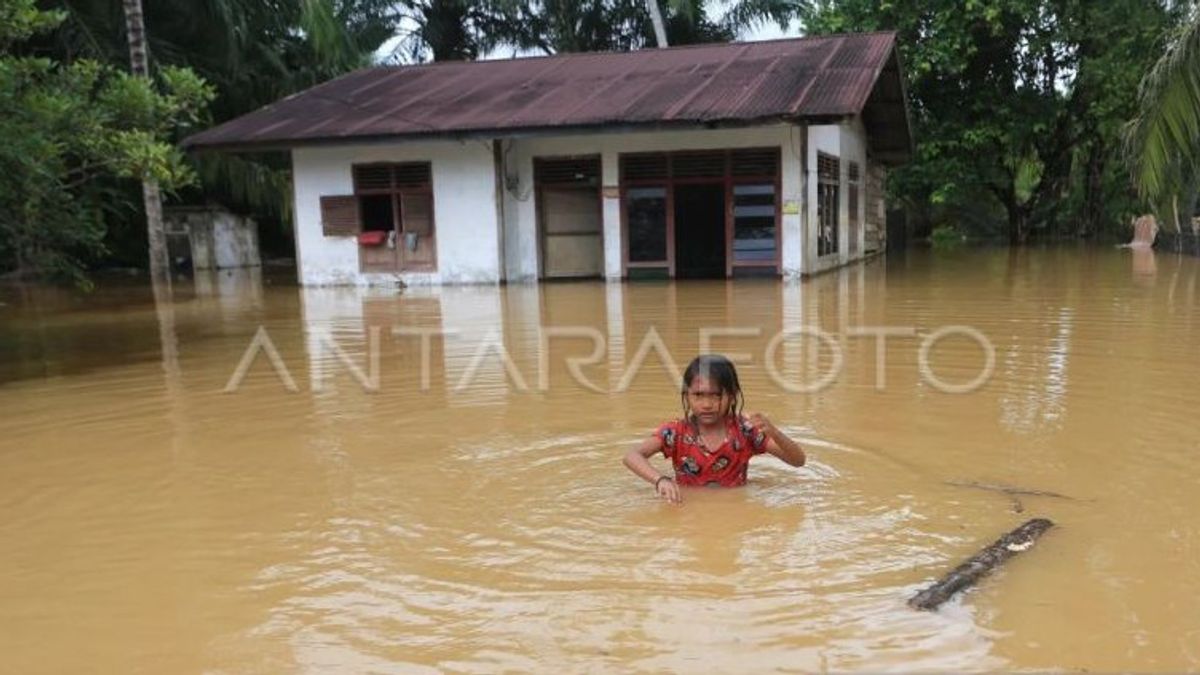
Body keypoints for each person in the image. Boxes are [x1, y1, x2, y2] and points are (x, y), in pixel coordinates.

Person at [622, 354, 806, 504]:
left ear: (732, 397)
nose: (707, 404)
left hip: (734, 512)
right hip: (688, 513)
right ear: (687, 397)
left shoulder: (746, 430)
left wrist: (775, 432)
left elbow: (798, 461)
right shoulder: (676, 432)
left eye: (716, 395)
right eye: (698, 395)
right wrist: (660, 480)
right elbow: (631, 456)